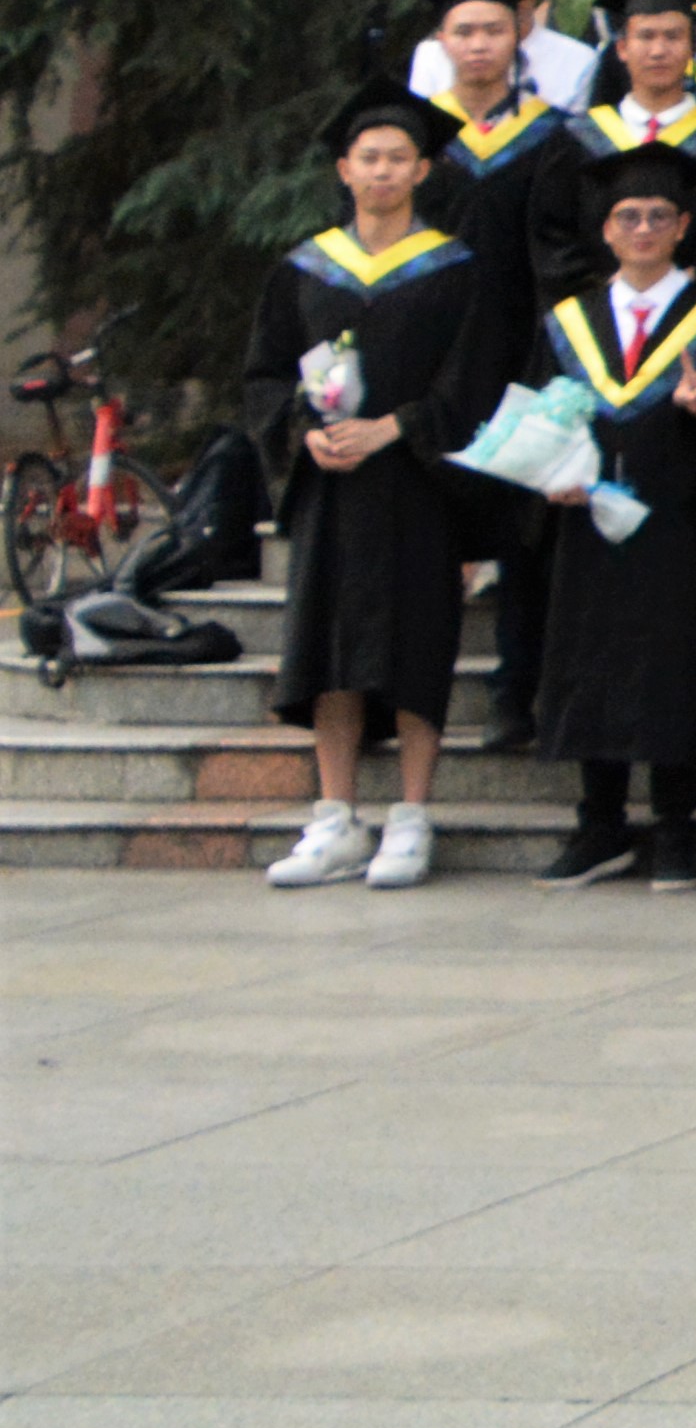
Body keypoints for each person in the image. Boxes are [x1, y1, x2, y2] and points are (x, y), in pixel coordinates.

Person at [249, 89, 511, 891]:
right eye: (370, 158)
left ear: (423, 170)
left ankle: (410, 817)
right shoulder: (305, 268)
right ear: (344, 170)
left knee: (418, 644)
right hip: (331, 488)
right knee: (326, 648)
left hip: (417, 487)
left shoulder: (455, 269)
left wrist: (396, 428)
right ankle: (334, 819)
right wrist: (305, 432)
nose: (384, 171)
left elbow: (474, 379)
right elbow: (266, 375)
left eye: (399, 158)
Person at [524, 146, 696, 891]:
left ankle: (677, 825)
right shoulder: (569, 320)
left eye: (658, 216)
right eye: (628, 217)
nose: (643, 228)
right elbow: (539, 414)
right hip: (587, 521)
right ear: (606, 231)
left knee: (676, 664)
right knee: (591, 660)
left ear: (683, 226)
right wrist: (550, 476)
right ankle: (600, 824)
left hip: (681, 521)